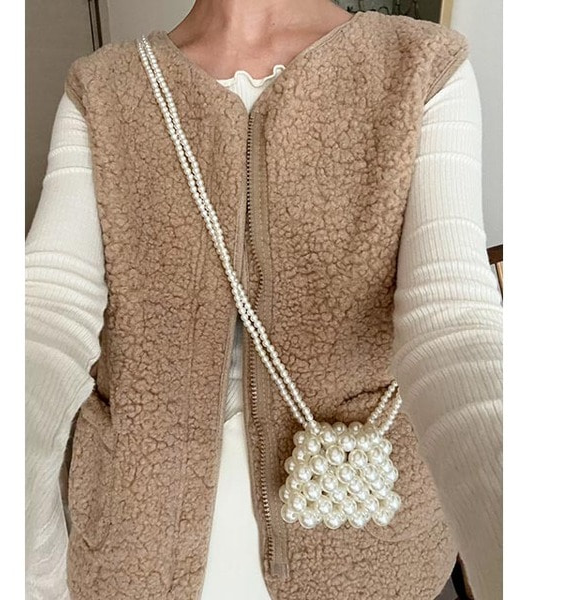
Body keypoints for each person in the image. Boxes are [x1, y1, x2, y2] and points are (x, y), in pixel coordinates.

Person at [26, 2, 503, 599]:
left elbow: (452, 321)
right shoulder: (104, 86)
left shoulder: (420, 64)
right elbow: (47, 310)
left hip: (368, 550)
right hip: (132, 554)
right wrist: (29, 551)